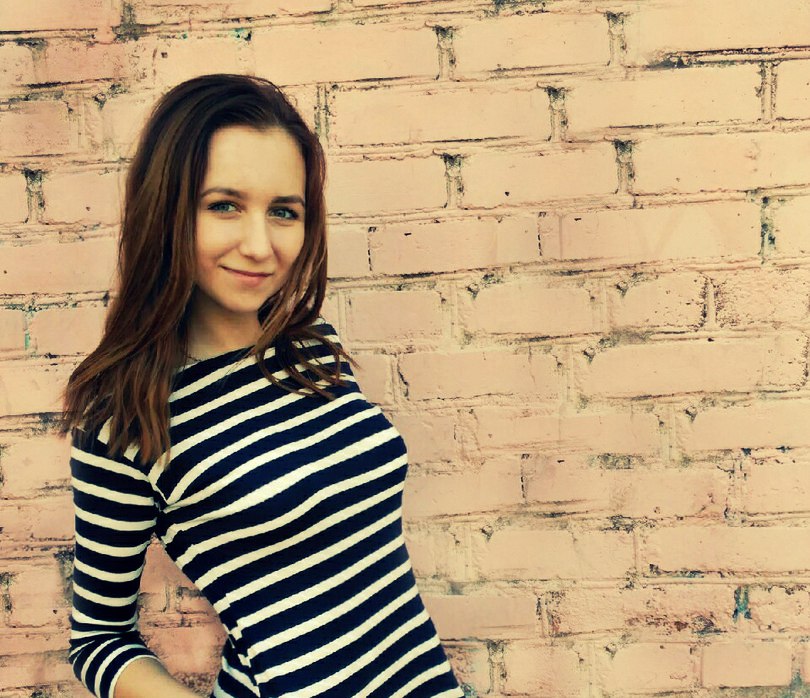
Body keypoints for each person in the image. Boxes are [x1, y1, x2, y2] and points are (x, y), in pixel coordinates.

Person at [58, 73, 464, 698]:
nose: (259, 245)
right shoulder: (128, 418)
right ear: (167, 211)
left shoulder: (311, 347)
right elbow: (97, 639)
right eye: (224, 205)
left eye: (283, 212)